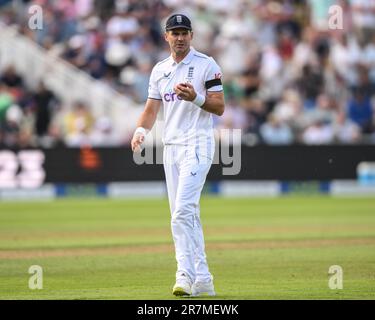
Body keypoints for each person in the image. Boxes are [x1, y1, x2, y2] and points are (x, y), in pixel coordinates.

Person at [131, 14, 225, 297]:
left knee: (182, 211)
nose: (180, 37)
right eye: (175, 32)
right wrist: (140, 131)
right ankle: (204, 280)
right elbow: (151, 108)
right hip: (171, 148)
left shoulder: (206, 65)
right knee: (184, 213)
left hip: (198, 144)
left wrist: (194, 97)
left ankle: (184, 274)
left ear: (192, 36)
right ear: (166, 37)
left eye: (185, 32)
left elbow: (219, 107)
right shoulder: (160, 70)